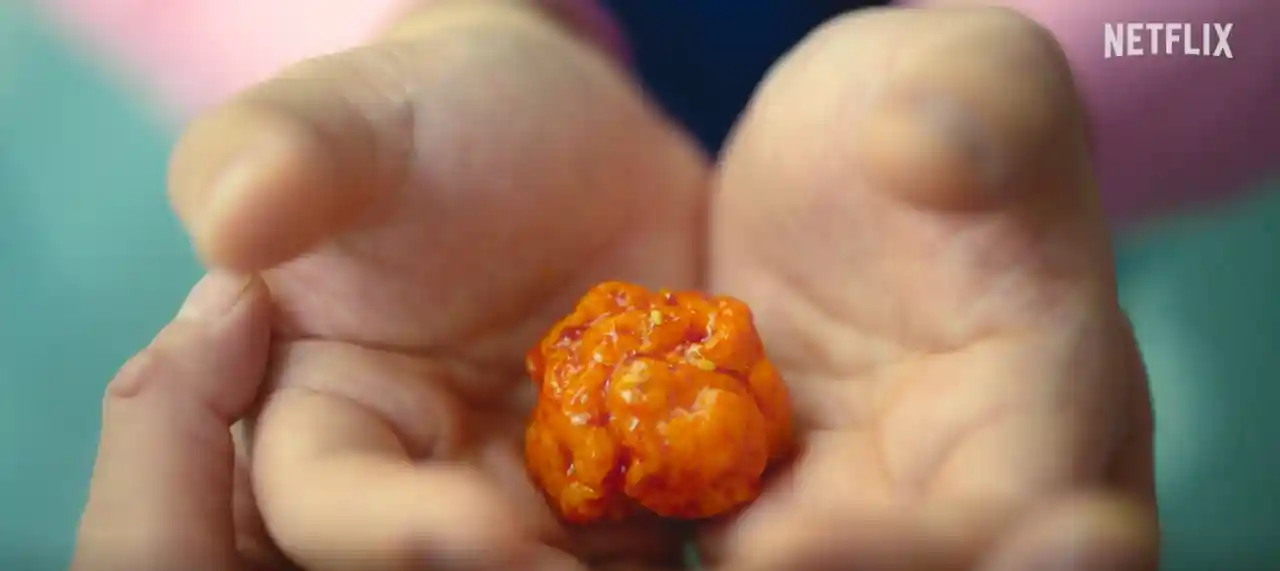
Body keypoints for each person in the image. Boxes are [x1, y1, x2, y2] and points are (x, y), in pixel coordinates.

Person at [74, 3, 1160, 570]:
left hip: (927, 228)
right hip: (531, 117)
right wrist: (420, 25)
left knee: (989, 234)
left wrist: (1077, 67)